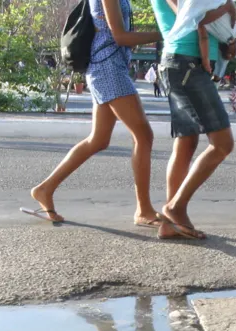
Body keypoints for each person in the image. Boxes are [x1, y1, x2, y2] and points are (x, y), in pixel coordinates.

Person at [26, 0, 169, 233]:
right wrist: (165, 32)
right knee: (144, 136)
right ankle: (143, 210)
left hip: (110, 67)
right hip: (108, 69)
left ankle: (45, 188)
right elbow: (121, 36)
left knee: (99, 140)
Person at [151, 0, 236, 239]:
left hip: (185, 64)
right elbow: (193, 17)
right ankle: (175, 207)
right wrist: (227, 8)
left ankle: (170, 223)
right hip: (185, 64)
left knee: (185, 144)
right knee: (222, 144)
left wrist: (228, 41)